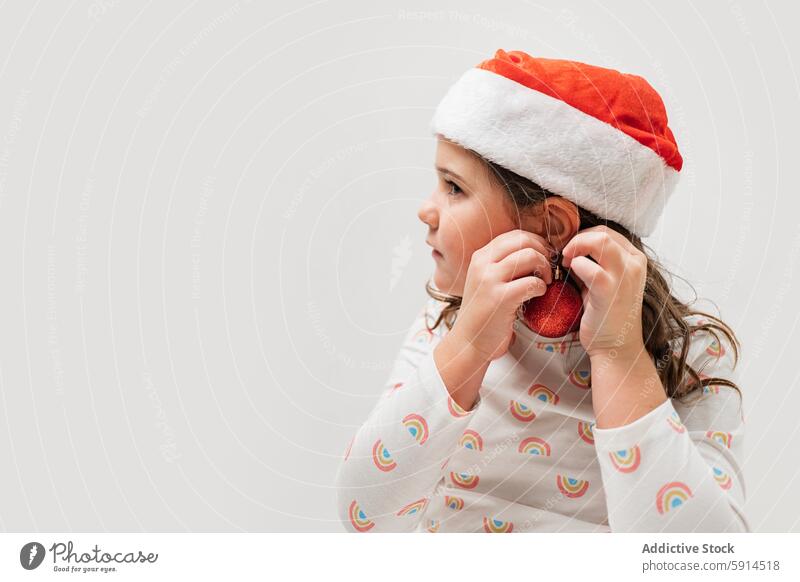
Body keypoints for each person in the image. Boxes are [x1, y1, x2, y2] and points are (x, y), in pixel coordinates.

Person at [334, 49, 747, 533]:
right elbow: (364, 515)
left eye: (454, 188)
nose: (427, 210)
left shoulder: (689, 350)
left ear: (550, 227)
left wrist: (620, 358)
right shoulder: (443, 323)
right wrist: (467, 348)